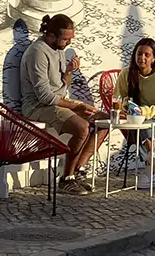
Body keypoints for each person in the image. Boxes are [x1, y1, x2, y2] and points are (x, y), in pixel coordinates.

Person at [19, 13, 106, 195]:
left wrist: (68, 71)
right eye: (65, 39)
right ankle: (66, 179)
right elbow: (44, 97)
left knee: (103, 121)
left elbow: (61, 89)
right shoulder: (38, 52)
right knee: (82, 127)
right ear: (51, 35)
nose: (68, 43)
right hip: (37, 107)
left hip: (54, 103)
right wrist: (76, 106)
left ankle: (77, 170)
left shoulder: (58, 50)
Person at [113, 37, 155, 186]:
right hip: (135, 119)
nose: (142, 58)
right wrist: (127, 109)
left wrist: (143, 112)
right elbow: (117, 98)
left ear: (153, 58)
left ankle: (150, 166)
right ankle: (151, 166)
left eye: (147, 55)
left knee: (145, 125)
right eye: (139, 54)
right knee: (139, 126)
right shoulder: (126, 74)